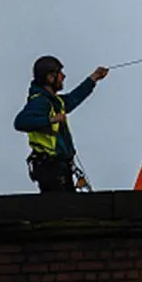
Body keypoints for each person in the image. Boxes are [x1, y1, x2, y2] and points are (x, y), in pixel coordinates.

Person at [14, 55, 108, 193]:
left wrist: (94, 78)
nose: (63, 77)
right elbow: (20, 122)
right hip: (51, 170)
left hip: (59, 170)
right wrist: (50, 120)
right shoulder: (41, 102)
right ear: (50, 77)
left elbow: (73, 99)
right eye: (60, 74)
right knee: (64, 209)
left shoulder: (55, 102)